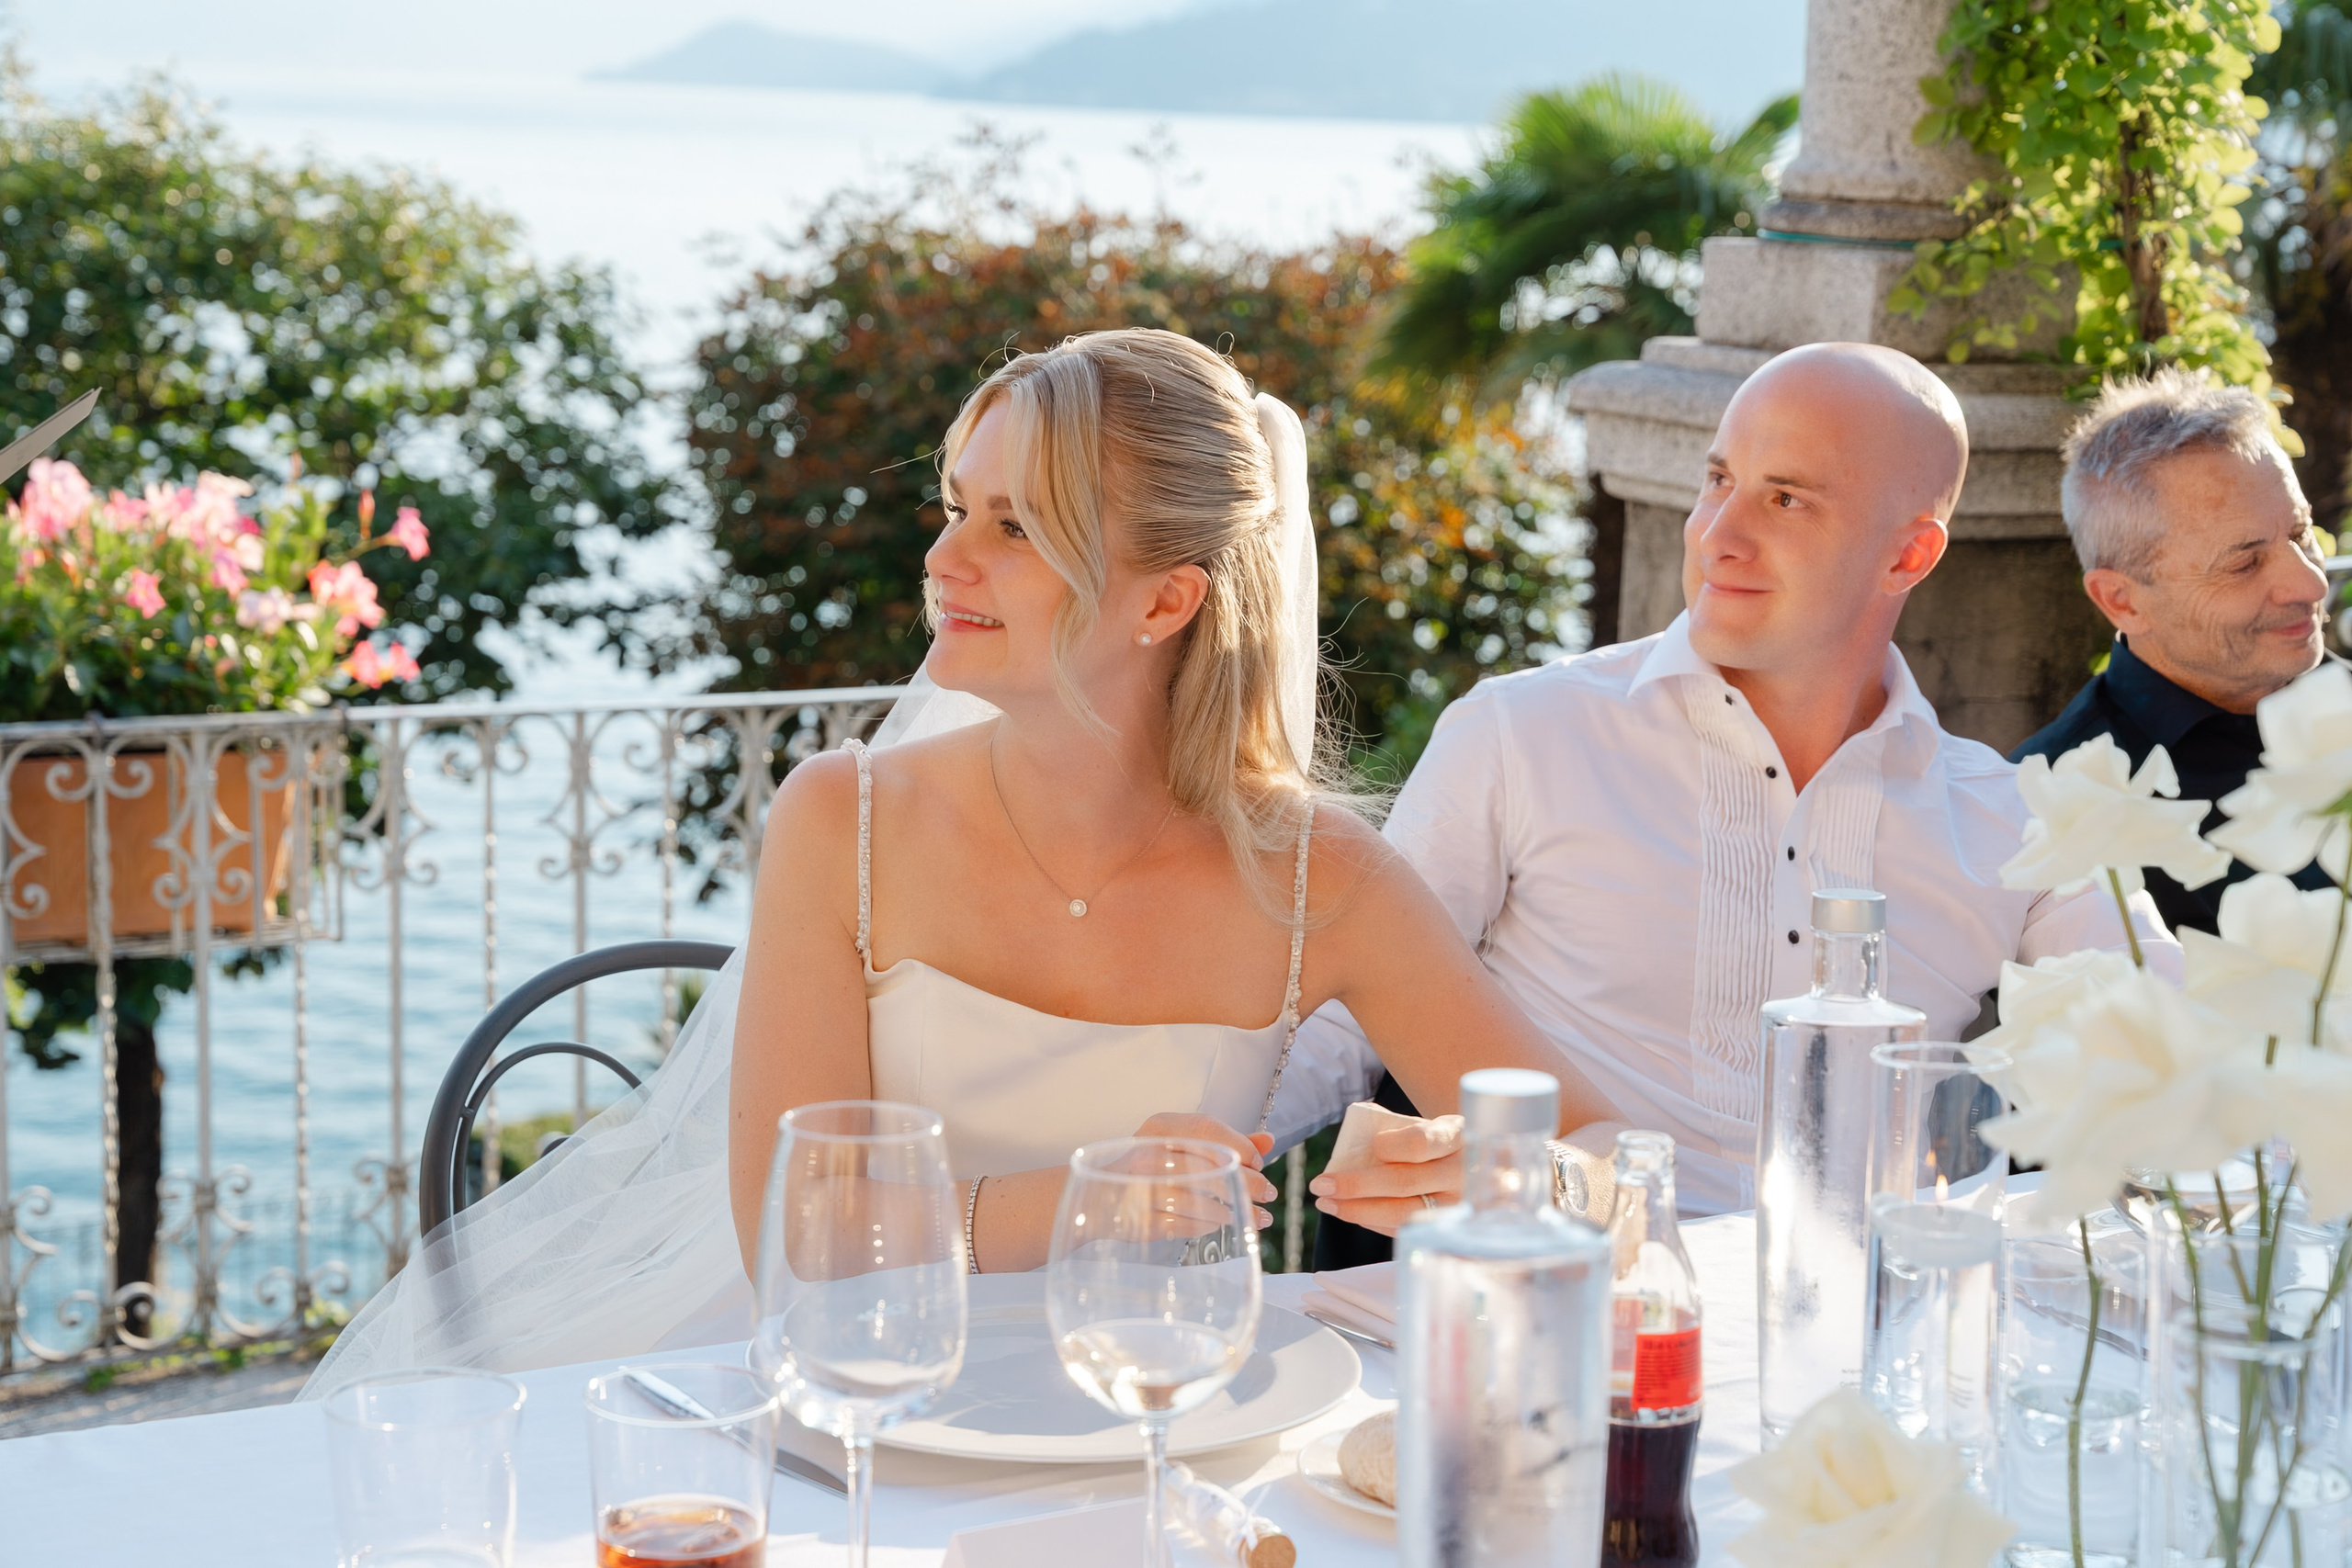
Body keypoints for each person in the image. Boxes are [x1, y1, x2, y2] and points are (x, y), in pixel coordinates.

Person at [303, 329, 1613, 1389]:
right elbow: (792, 1246)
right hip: (841, 1403)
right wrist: (1098, 1204)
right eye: (955, 508)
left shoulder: (1327, 877)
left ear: (1167, 599)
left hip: (1143, 1411)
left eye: (1017, 526)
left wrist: (1481, 1164)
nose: (943, 559)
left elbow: (1606, 1162)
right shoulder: (843, 822)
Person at [1279, 342, 2177, 1248]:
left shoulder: (2016, 817)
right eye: (1718, 480)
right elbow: (1338, 1014)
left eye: (1783, 498)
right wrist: (1184, 1137)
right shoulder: (1520, 734)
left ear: (1907, 553)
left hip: (1847, 1348)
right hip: (1547, 1313)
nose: (1716, 533)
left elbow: (2169, 1067)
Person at [2011, 368, 2337, 934]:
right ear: (2122, 600)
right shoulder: (2054, 806)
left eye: (2301, 533)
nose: (2310, 584)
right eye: (2244, 563)